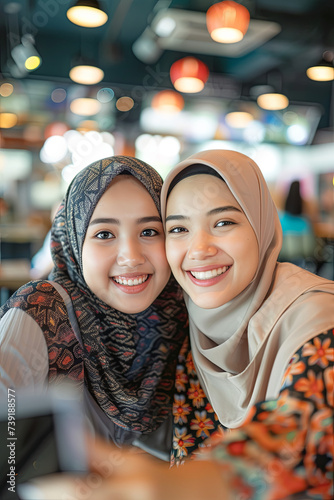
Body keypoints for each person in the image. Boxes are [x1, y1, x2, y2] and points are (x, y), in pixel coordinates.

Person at [20, 150, 334, 500]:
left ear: (260, 223)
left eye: (224, 223)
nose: (199, 249)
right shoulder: (183, 321)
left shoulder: (318, 314)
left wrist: (197, 483)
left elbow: (310, 421)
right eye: (178, 228)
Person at [0, 155, 188, 457]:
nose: (131, 256)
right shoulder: (42, 312)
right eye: (104, 234)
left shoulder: (181, 316)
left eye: (150, 231)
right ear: (75, 243)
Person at [278, 180, 316, 268]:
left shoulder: (281, 220)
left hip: (284, 259)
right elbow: (310, 247)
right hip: (302, 261)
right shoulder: (305, 222)